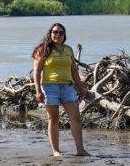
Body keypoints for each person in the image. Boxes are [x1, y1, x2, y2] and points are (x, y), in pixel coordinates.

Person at [32, 22, 89, 157]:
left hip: (68, 87)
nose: (57, 35)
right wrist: (38, 90)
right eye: (54, 32)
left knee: (75, 117)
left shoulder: (68, 49)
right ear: (50, 34)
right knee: (54, 118)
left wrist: (81, 88)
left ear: (64, 35)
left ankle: (80, 150)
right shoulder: (43, 49)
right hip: (49, 87)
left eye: (60, 32)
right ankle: (56, 150)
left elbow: (74, 71)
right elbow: (37, 71)